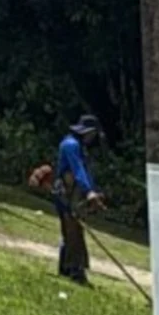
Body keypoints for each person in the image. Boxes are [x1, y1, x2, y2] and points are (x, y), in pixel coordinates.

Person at [52, 115, 106, 284]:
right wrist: (88, 191)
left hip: (76, 191)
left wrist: (93, 190)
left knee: (72, 230)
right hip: (69, 192)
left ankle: (67, 267)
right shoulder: (71, 145)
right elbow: (78, 170)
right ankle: (75, 269)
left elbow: (85, 171)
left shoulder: (79, 146)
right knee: (73, 230)